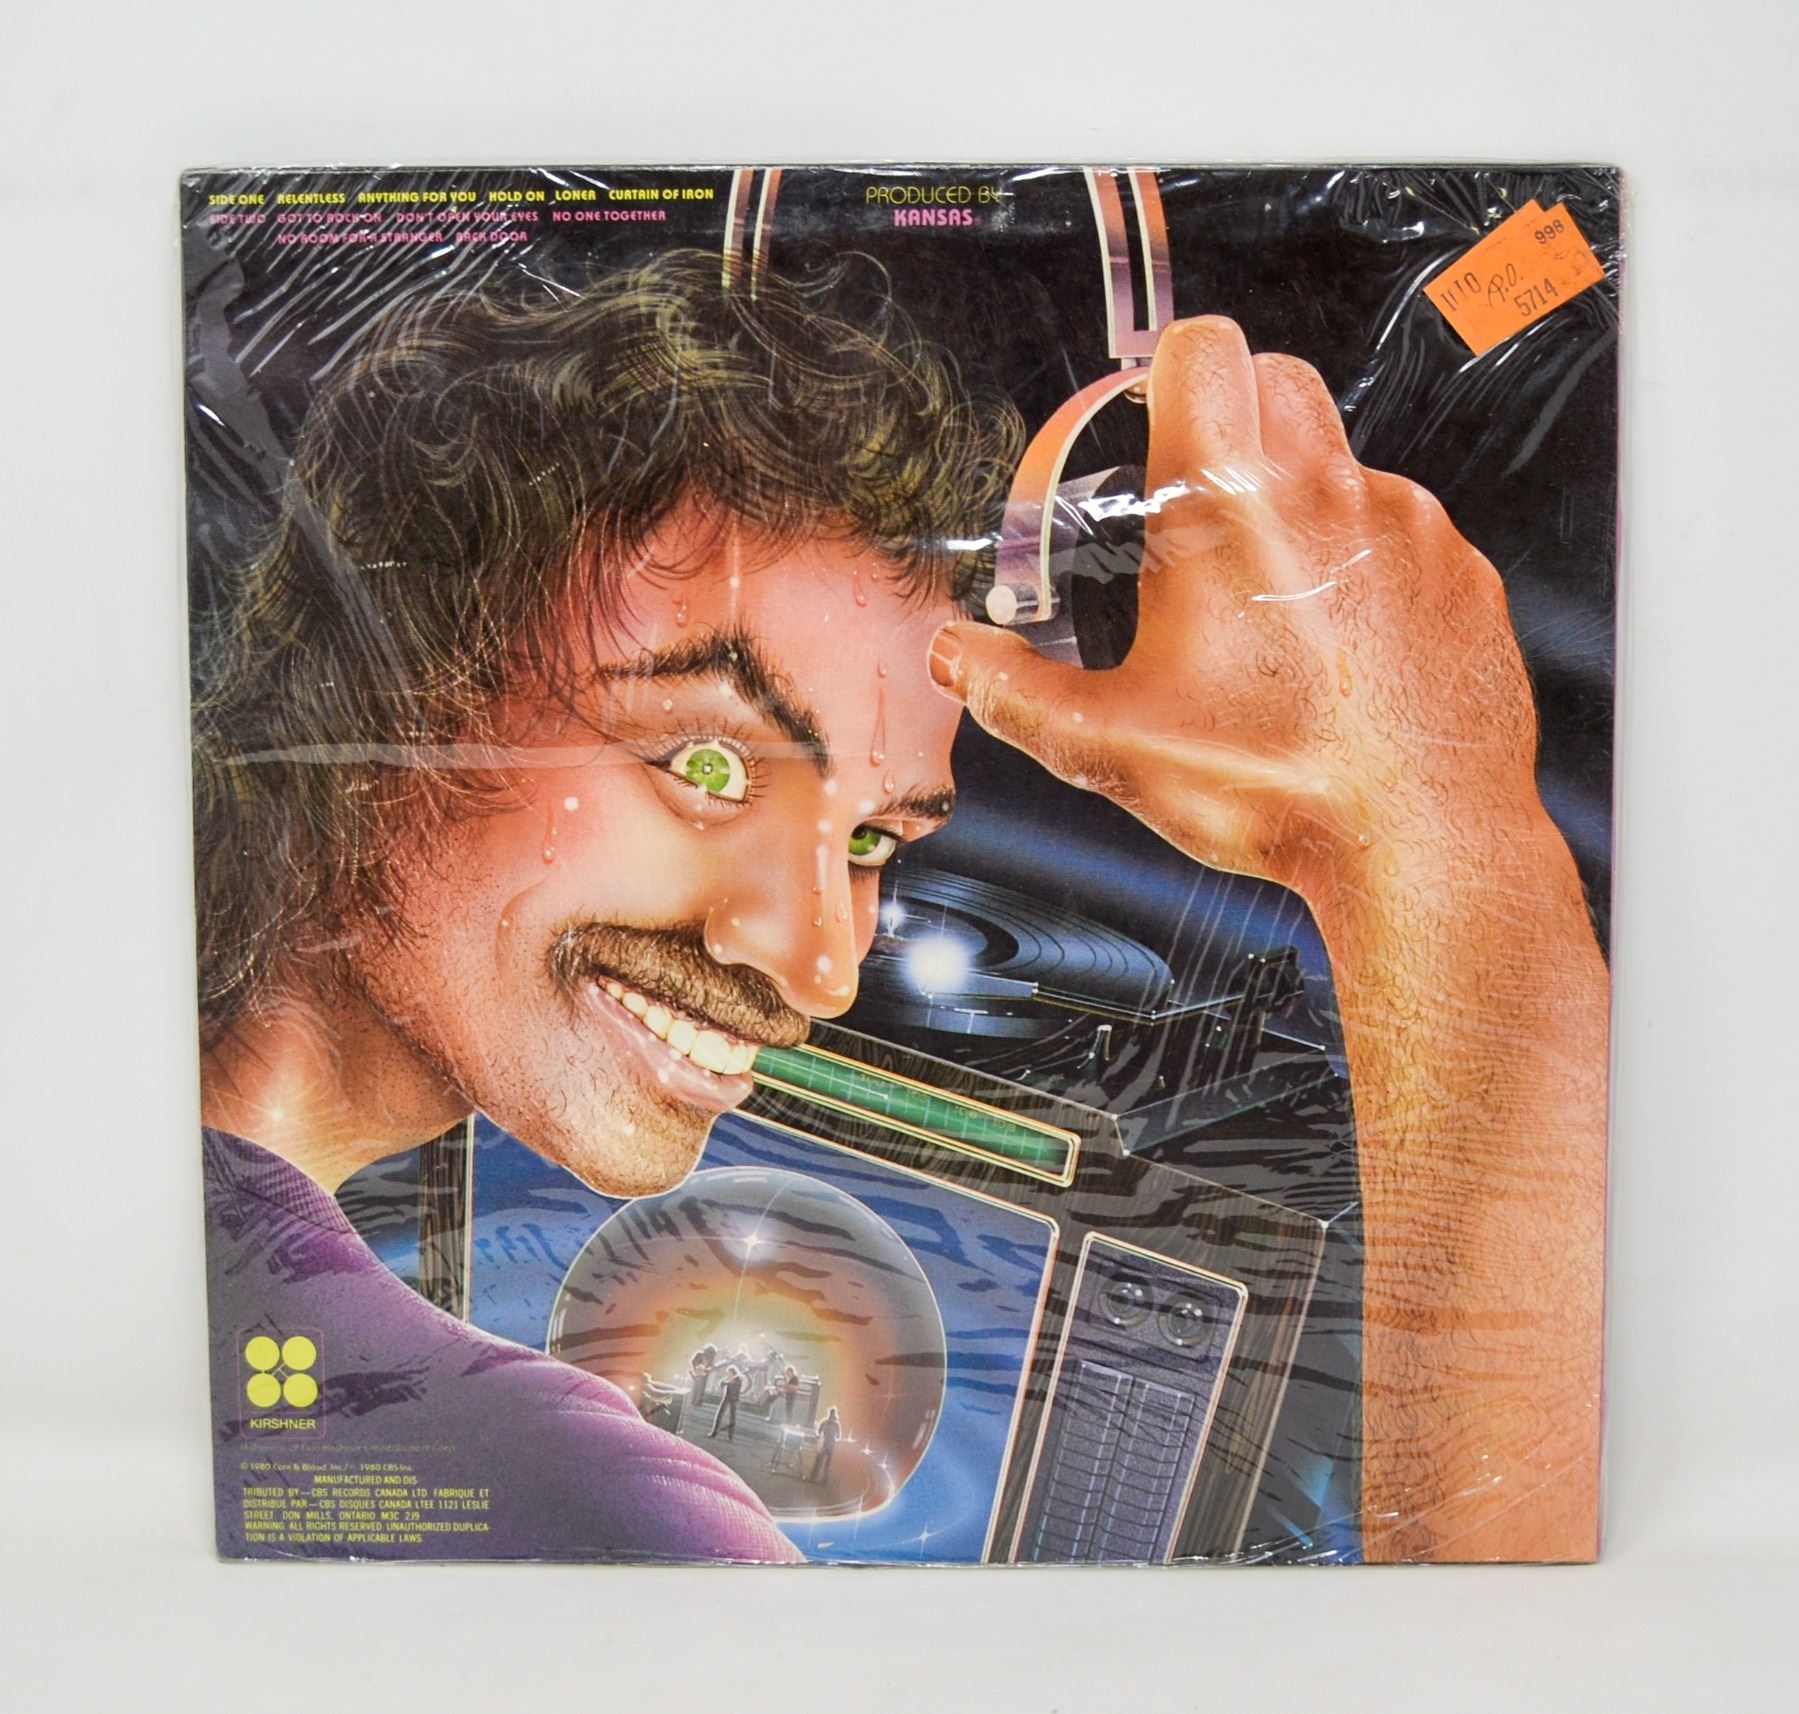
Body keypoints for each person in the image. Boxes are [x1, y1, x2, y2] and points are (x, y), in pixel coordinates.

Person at [196, 249, 1605, 1563]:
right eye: (705, 763)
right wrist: (1439, 847)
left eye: (872, 837)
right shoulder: (603, 1510)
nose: (816, 964)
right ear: (386, 691)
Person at [710, 1366, 746, 1444]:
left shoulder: (738, 1380)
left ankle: (730, 1437)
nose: (727, 1374)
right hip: (726, 1399)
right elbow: (721, 1384)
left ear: (733, 1372)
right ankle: (713, 1433)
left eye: (729, 1373)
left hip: (734, 1400)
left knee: (732, 1419)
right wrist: (725, 1380)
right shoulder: (728, 1379)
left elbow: (733, 1383)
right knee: (719, 1416)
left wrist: (729, 1381)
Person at [810, 1409, 842, 1485]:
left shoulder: (825, 1422)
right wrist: (836, 1440)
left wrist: (819, 1437)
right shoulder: (836, 1424)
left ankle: (814, 1477)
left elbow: (818, 1432)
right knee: (827, 1464)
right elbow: (838, 1436)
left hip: (823, 1443)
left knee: (819, 1461)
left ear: (829, 1413)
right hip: (830, 1445)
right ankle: (824, 1479)